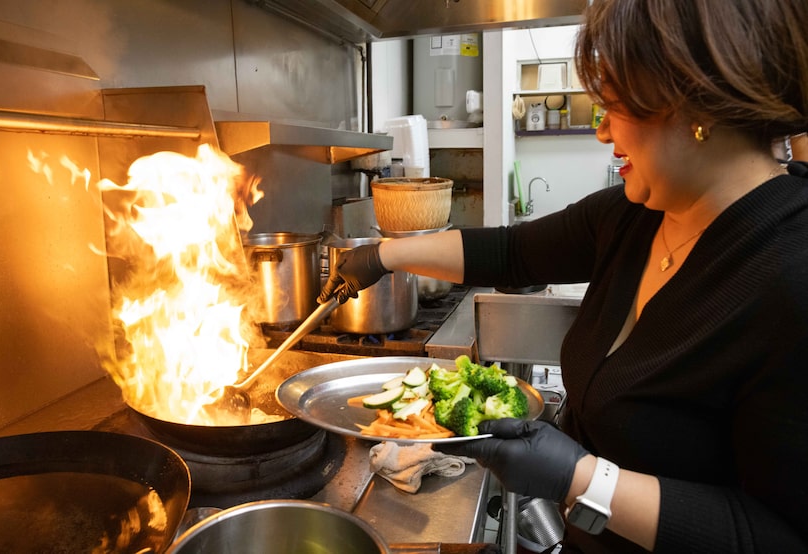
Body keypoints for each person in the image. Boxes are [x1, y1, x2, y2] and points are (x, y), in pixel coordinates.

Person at [319, 0, 808, 552]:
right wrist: (383, 255)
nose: (602, 132)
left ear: (696, 99)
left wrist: (582, 479)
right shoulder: (637, 215)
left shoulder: (791, 274)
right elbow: (512, 251)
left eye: (615, 106)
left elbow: (779, 535)